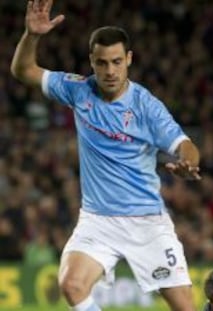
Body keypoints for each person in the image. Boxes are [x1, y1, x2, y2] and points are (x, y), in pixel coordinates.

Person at [11, 1, 201, 311]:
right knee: (71, 285)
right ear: (92, 62)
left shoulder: (146, 107)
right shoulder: (78, 90)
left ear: (128, 59)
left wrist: (188, 161)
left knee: (185, 308)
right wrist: (32, 36)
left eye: (116, 61)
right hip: (97, 221)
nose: (110, 71)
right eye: (102, 63)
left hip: (146, 222)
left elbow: (185, 144)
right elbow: (23, 70)